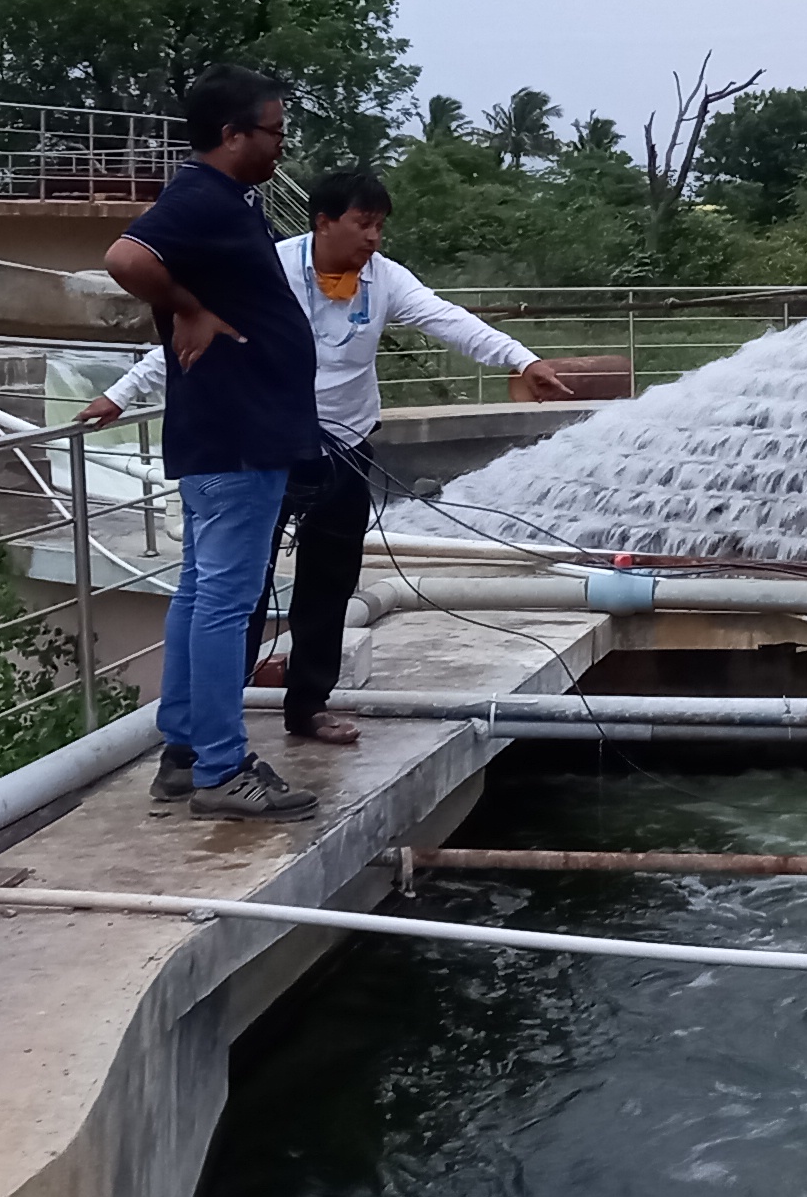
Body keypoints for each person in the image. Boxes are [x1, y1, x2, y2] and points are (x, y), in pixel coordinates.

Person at [89, 172, 574, 746]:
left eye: (379, 227)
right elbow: (190, 334)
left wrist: (523, 360)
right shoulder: (271, 267)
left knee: (330, 582)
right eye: (362, 224)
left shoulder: (384, 279)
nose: (373, 238)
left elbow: (449, 319)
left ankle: (309, 705)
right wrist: (121, 394)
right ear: (323, 221)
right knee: (242, 584)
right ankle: (222, 714)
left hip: (344, 447)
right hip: (270, 445)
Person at [102, 68, 324, 822]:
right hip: (237, 434)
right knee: (226, 602)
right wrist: (187, 309)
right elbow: (125, 259)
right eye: (273, 132)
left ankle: (186, 752)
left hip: (225, 430)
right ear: (232, 135)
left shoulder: (227, 201)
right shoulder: (199, 197)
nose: (281, 146)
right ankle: (222, 771)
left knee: (202, 593)